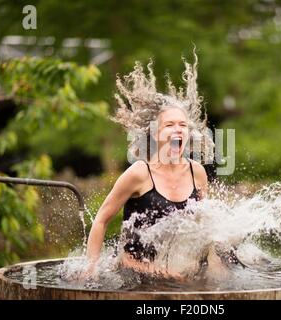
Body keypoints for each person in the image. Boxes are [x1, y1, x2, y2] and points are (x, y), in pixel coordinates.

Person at [84, 49, 228, 280]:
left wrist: (213, 262)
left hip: (176, 271)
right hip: (132, 272)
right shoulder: (139, 173)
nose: (177, 129)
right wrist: (89, 270)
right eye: (170, 125)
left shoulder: (197, 172)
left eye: (182, 125)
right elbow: (101, 220)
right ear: (155, 133)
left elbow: (203, 227)